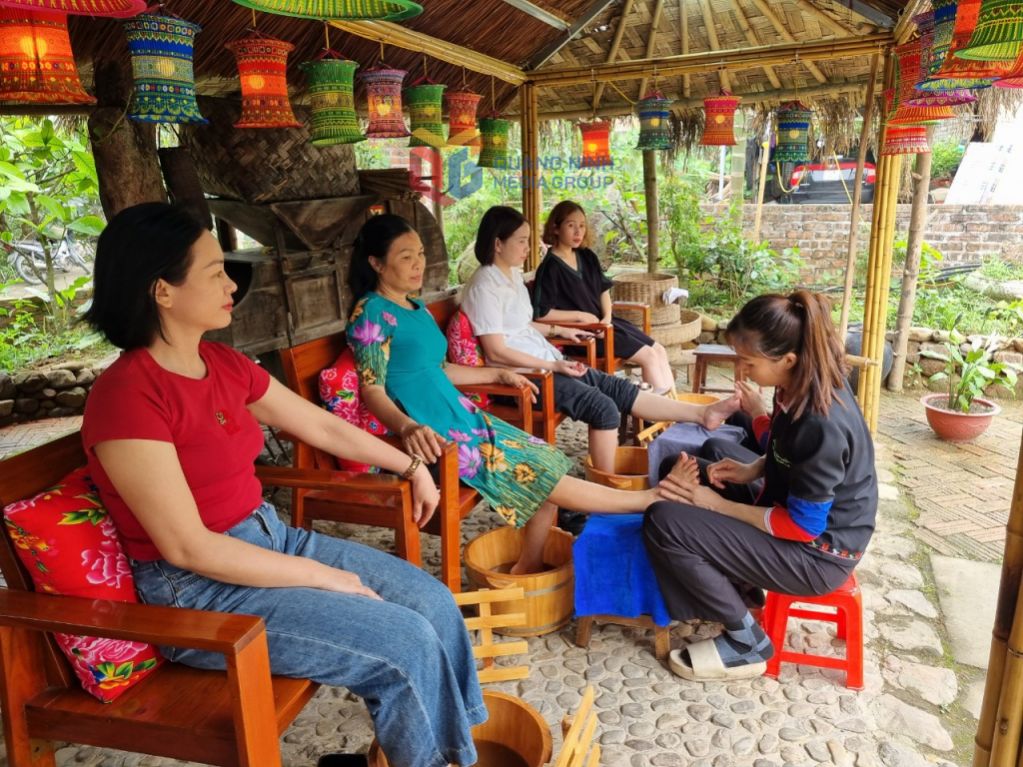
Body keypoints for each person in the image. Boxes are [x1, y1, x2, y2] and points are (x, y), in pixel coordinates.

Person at [81, 203, 484, 767]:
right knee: (404, 642)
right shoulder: (127, 396)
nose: (231, 284)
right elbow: (188, 547)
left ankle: (455, 751)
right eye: (214, 272)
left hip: (270, 539)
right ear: (162, 291)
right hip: (199, 592)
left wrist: (412, 468)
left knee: (432, 601)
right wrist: (326, 578)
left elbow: (322, 425)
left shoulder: (221, 362)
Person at [347, 213, 665, 575]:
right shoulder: (371, 313)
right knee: (540, 475)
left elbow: (440, 370)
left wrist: (498, 373)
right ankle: (643, 502)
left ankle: (526, 568)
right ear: (376, 263)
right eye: (406, 257)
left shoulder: (416, 308)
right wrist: (407, 428)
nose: (418, 263)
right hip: (433, 435)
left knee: (546, 458)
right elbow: (372, 388)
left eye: (420, 253)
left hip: (461, 417)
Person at [642, 290, 877, 682]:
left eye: (749, 361)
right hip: (791, 515)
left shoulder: (821, 422)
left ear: (787, 359)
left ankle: (746, 641)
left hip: (817, 557)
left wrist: (715, 505)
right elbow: (790, 452)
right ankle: (738, 585)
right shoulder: (799, 383)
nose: (742, 368)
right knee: (678, 467)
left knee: (664, 521)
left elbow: (801, 527)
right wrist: (753, 469)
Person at [461, 205, 740, 474]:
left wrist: (560, 331)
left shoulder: (511, 275)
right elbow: (496, 351)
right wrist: (555, 365)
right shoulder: (485, 286)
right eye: (521, 241)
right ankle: (607, 484)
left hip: (545, 361)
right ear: (498, 244)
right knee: (603, 408)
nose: (528, 247)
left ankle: (702, 414)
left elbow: (522, 326)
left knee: (617, 388)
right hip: (523, 378)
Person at [533, 200, 674, 392]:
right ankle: (655, 409)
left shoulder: (586, 256)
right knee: (648, 356)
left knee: (659, 350)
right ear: (556, 228)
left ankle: (674, 404)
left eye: (582, 226)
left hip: (607, 325)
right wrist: (580, 316)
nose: (578, 232)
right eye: (571, 225)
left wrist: (606, 318)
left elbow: (603, 290)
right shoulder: (549, 268)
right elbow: (542, 314)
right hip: (583, 336)